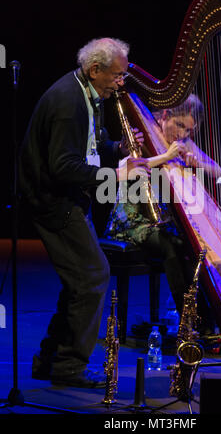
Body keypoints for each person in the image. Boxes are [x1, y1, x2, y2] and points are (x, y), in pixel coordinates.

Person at [18, 37, 148, 388]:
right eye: (117, 76)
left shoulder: (90, 94)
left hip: (71, 197)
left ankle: (50, 360)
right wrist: (118, 174)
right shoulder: (68, 102)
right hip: (53, 201)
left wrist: (116, 149)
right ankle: (68, 367)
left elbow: (91, 147)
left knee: (80, 279)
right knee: (92, 276)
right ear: (95, 69)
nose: (121, 83)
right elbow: (63, 166)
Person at [104, 94, 221, 329]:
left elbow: (217, 171)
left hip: (161, 222)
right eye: (179, 126)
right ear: (165, 116)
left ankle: (206, 319)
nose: (182, 134)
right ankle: (190, 322)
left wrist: (197, 162)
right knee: (172, 243)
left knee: (189, 244)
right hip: (132, 220)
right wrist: (166, 157)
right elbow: (125, 167)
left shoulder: (183, 143)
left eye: (188, 130)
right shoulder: (143, 133)